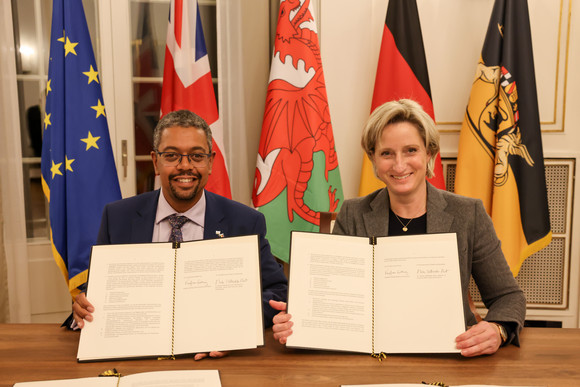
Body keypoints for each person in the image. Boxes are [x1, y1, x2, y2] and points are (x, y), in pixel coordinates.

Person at [270, 99, 526, 357]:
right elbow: (335, 300)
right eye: (386, 153)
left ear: (429, 153)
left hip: (450, 354)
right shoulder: (353, 213)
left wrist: (498, 329)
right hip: (371, 358)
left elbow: (508, 296)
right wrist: (298, 322)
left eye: (411, 150)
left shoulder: (468, 214)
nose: (399, 165)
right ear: (373, 158)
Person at [73, 109, 288, 360]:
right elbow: (98, 293)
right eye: (172, 156)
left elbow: (276, 292)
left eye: (196, 156)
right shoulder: (118, 217)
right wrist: (82, 306)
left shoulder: (245, 222)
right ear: (155, 161)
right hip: (137, 356)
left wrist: (235, 327)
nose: (185, 166)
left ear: (210, 162)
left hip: (214, 358)